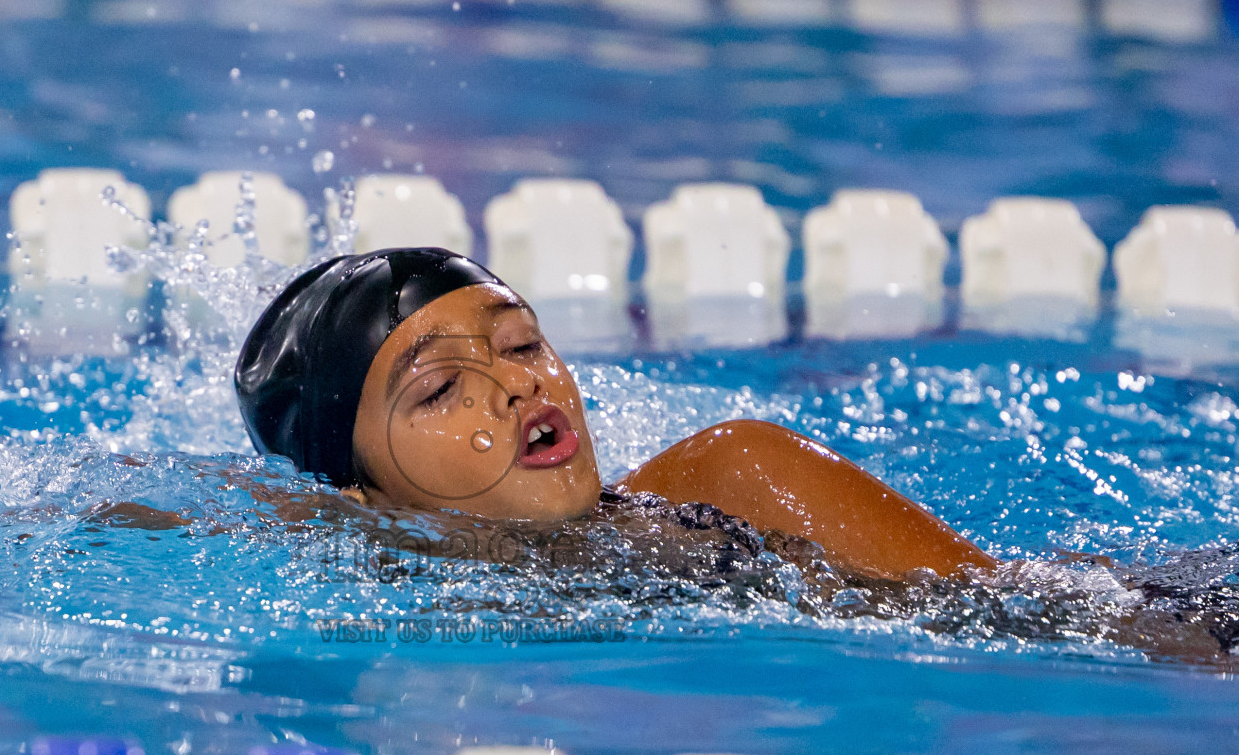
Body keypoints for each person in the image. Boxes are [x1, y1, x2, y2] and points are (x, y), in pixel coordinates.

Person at [234, 246, 993, 583]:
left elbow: (1043, 614)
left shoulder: (740, 480)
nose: (513, 385)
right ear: (358, 495)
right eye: (437, 389)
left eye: (522, 343)